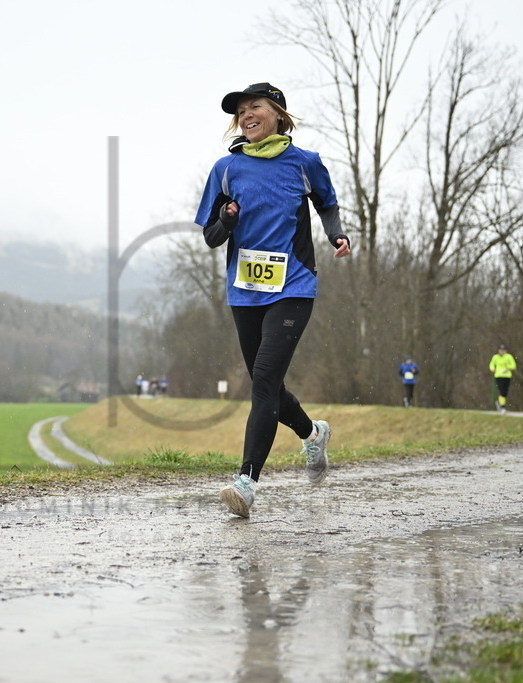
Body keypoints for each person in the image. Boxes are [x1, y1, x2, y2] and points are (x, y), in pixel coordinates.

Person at [195, 82, 352, 518]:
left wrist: (337, 235)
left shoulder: (305, 163)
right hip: (245, 291)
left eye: (255, 106)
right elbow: (210, 237)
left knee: (262, 381)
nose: (246, 114)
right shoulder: (226, 170)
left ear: (278, 113)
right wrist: (226, 219)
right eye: (240, 110)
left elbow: (327, 204)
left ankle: (246, 483)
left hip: (294, 286)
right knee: (270, 387)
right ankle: (313, 432)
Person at [489, 344, 517, 414]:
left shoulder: (509, 357)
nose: (502, 352)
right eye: (501, 350)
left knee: (505, 392)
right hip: (498, 376)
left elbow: (514, 366)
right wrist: (492, 369)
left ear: (506, 351)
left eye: (503, 350)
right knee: (501, 390)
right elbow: (491, 364)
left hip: (507, 376)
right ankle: (502, 406)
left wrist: (507, 366)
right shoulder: (495, 357)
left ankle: (501, 403)